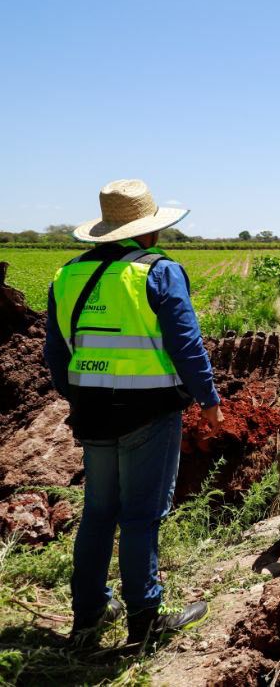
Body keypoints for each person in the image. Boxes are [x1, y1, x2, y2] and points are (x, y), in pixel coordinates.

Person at [44, 179, 220, 648]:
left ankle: (88, 616)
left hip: (92, 411)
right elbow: (186, 345)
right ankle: (145, 621)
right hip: (149, 411)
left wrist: (78, 396)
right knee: (141, 516)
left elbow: (56, 353)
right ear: (148, 230)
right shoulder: (158, 272)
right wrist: (208, 401)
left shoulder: (66, 276)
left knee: (99, 513)